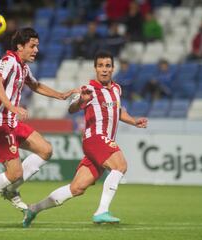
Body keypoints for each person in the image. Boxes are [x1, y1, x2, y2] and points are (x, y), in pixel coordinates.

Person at [0, 27, 76, 228]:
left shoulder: (22, 66)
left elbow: (35, 85)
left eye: (37, 46)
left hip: (12, 123)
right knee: (14, 173)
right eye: (32, 46)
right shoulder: (9, 61)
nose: (36, 50)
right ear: (20, 46)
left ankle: (11, 189)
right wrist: (12, 106)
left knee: (46, 149)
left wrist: (61, 95)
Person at [22, 51, 148, 228]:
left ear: (113, 68)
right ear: (95, 68)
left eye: (108, 66)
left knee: (76, 188)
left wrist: (134, 121)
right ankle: (101, 211)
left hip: (101, 145)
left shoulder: (116, 89)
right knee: (120, 166)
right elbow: (72, 109)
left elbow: (117, 111)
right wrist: (82, 100)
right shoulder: (88, 89)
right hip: (95, 138)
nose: (104, 70)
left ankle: (34, 208)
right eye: (101, 66)